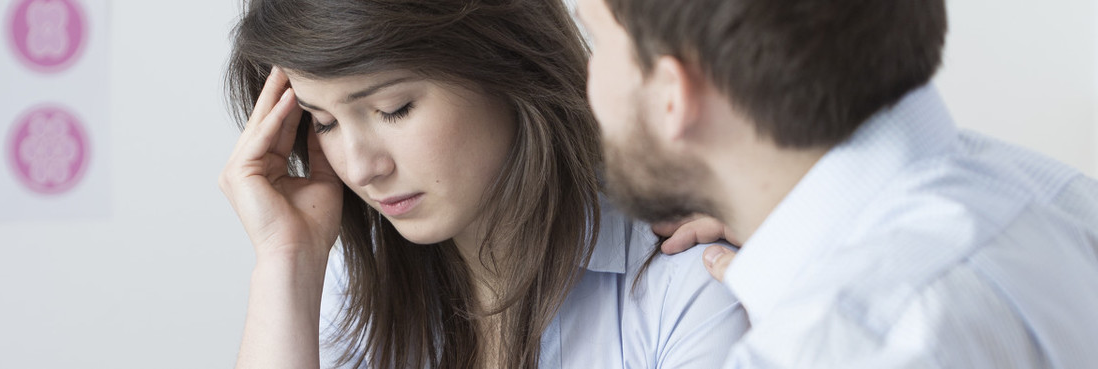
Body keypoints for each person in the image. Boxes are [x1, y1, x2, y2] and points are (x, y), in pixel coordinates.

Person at [219, 0, 748, 368]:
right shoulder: (352, 285)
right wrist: (285, 263)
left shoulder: (687, 281)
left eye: (393, 109)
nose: (360, 169)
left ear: (505, 64)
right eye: (325, 123)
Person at [577, 0, 1098, 367]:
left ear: (673, 95)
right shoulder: (1067, 201)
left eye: (597, 37)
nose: (587, 79)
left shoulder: (828, 347)